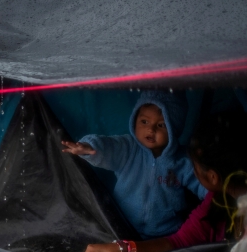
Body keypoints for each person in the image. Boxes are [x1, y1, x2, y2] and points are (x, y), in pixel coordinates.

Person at [79, 111, 247, 252]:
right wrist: (120, 249)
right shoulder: (216, 203)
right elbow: (177, 242)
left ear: (213, 177)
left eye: (194, 167)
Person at [62, 91, 207, 238]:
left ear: (173, 129)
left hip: (166, 232)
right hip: (122, 227)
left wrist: (216, 199)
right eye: (144, 122)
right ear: (135, 120)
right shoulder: (128, 148)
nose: (151, 129)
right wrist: (89, 146)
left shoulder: (181, 160)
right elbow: (109, 146)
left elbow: (202, 183)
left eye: (161, 125)